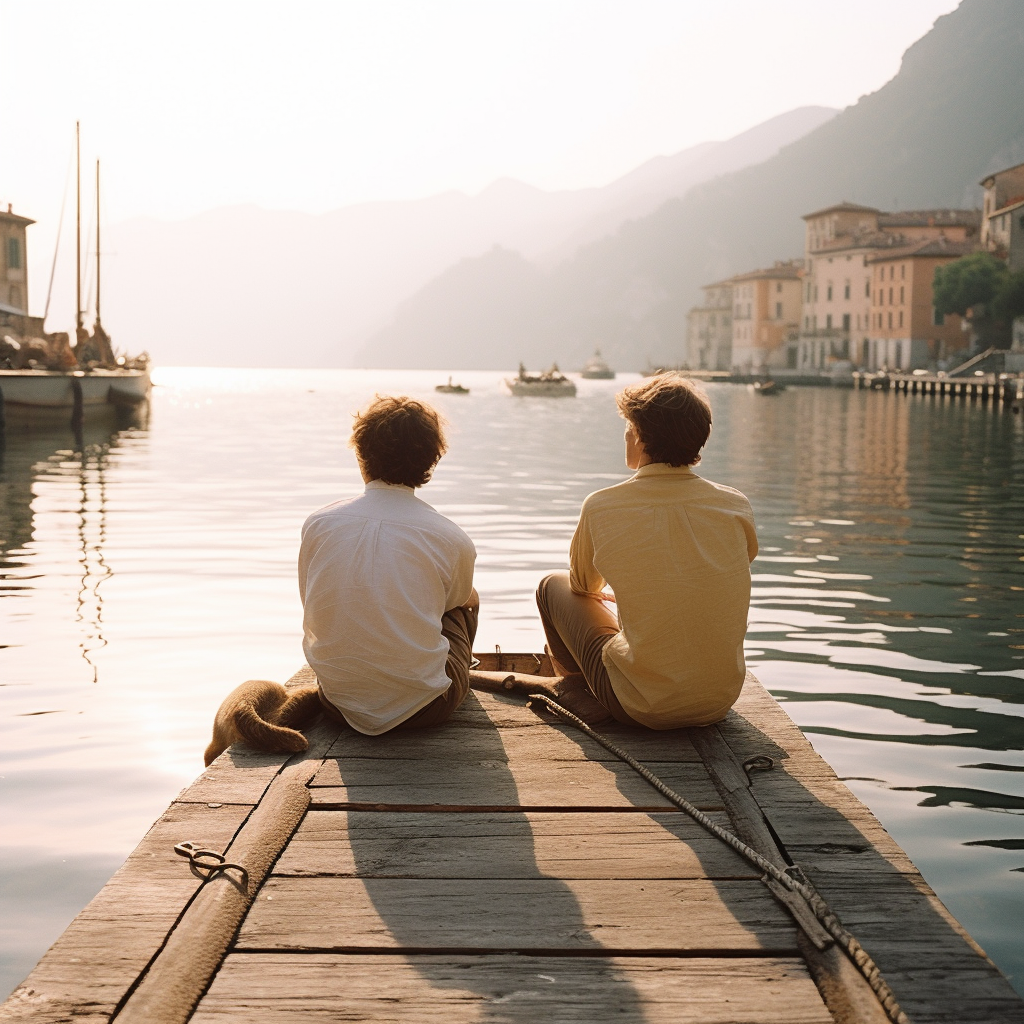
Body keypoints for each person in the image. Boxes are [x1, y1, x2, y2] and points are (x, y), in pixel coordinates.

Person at [533, 373, 757, 728]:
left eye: (628, 426)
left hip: (642, 707)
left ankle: (578, 689)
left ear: (638, 436)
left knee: (552, 585)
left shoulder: (603, 506)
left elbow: (583, 586)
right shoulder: (734, 505)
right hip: (718, 702)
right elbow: (718, 574)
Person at [298, 395, 477, 734]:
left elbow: (312, 600)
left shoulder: (318, 524)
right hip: (426, 710)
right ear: (430, 461)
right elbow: (455, 602)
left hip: (337, 703)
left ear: (361, 455)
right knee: (466, 600)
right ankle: (449, 674)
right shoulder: (451, 537)